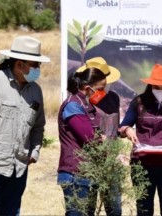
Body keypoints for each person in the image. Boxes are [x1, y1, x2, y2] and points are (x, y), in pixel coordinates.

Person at [0, 35, 50, 215]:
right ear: (20, 64)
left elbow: (38, 126)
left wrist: (34, 152)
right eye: (34, 65)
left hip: (18, 169)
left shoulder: (35, 91)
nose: (37, 69)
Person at [118, 64, 162, 216]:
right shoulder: (138, 102)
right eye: (157, 86)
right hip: (142, 164)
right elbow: (123, 126)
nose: (161, 90)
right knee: (143, 208)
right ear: (150, 85)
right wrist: (127, 129)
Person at [57, 57, 121, 216]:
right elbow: (90, 137)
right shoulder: (73, 105)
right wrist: (106, 142)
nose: (103, 93)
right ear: (88, 87)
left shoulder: (87, 104)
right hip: (76, 173)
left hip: (90, 171)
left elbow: (104, 130)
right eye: (100, 88)